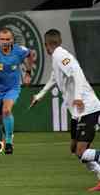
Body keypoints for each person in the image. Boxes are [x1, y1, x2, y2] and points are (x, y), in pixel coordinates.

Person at [30, 29, 100, 191]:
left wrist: (77, 97)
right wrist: (39, 95)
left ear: (46, 45)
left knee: (81, 151)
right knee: (74, 149)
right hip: (78, 113)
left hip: (87, 108)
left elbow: (77, 73)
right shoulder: (57, 58)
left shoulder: (60, 55)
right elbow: (54, 78)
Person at [0, 27, 34, 161]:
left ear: (12, 40)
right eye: (2, 39)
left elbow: (30, 54)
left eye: (8, 39)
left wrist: (28, 72)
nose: (5, 42)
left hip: (13, 87)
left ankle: (9, 141)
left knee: (6, 110)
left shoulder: (18, 50)